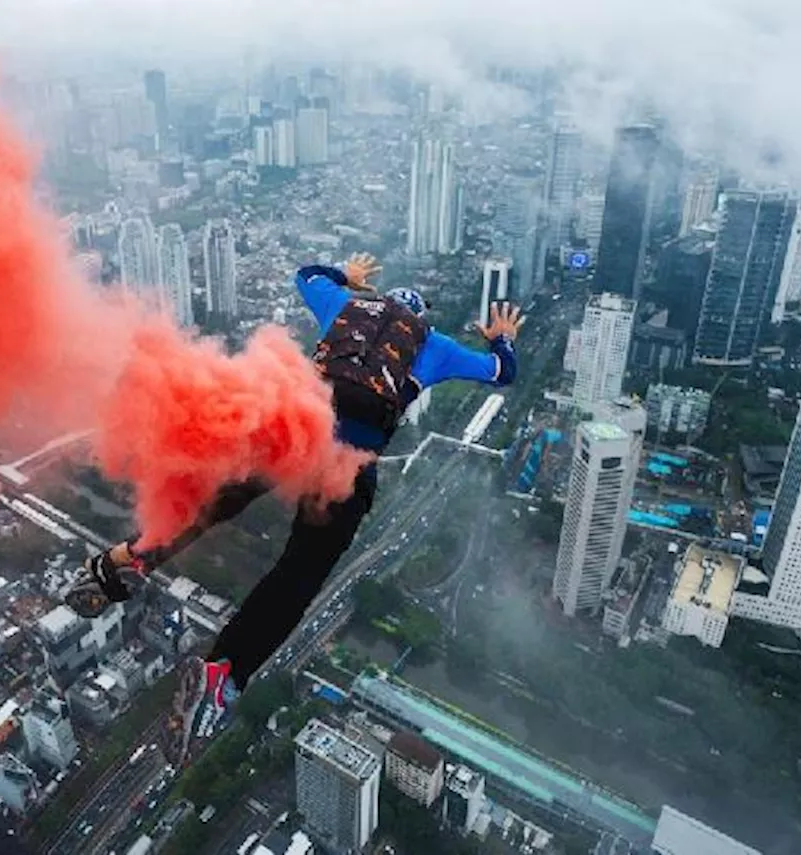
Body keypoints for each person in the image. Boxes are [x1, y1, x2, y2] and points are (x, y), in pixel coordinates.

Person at [65, 253, 524, 765]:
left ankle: (132, 557)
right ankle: (224, 671)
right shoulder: (432, 346)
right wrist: (499, 336)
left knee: (220, 501)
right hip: (343, 467)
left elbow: (304, 275)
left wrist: (344, 278)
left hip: (292, 432)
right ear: (421, 320)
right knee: (297, 573)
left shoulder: (346, 307)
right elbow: (504, 373)